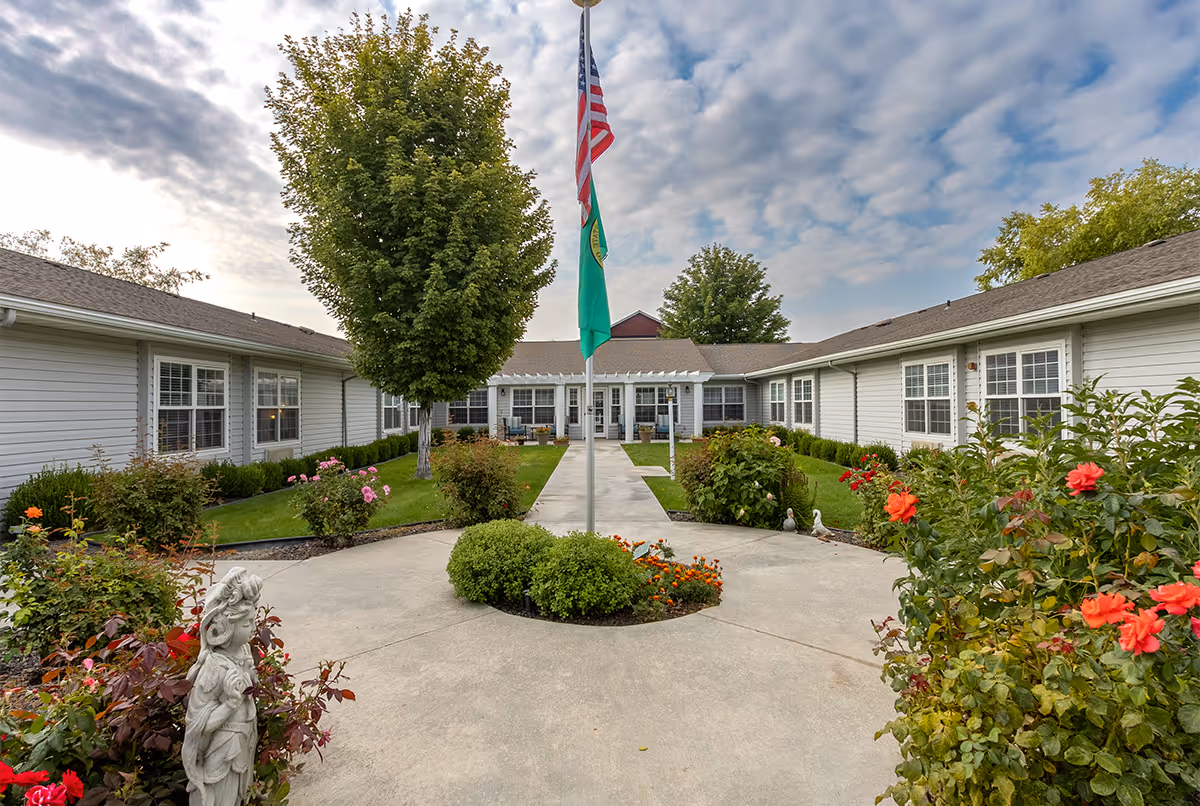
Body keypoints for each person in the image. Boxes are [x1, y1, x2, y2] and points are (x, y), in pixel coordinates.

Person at [182, 567, 263, 806]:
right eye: (248, 623)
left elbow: (249, 693)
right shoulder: (214, 667)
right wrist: (228, 705)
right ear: (225, 626)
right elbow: (198, 724)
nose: (254, 628)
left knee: (238, 796)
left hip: (243, 743)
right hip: (222, 752)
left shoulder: (243, 652)